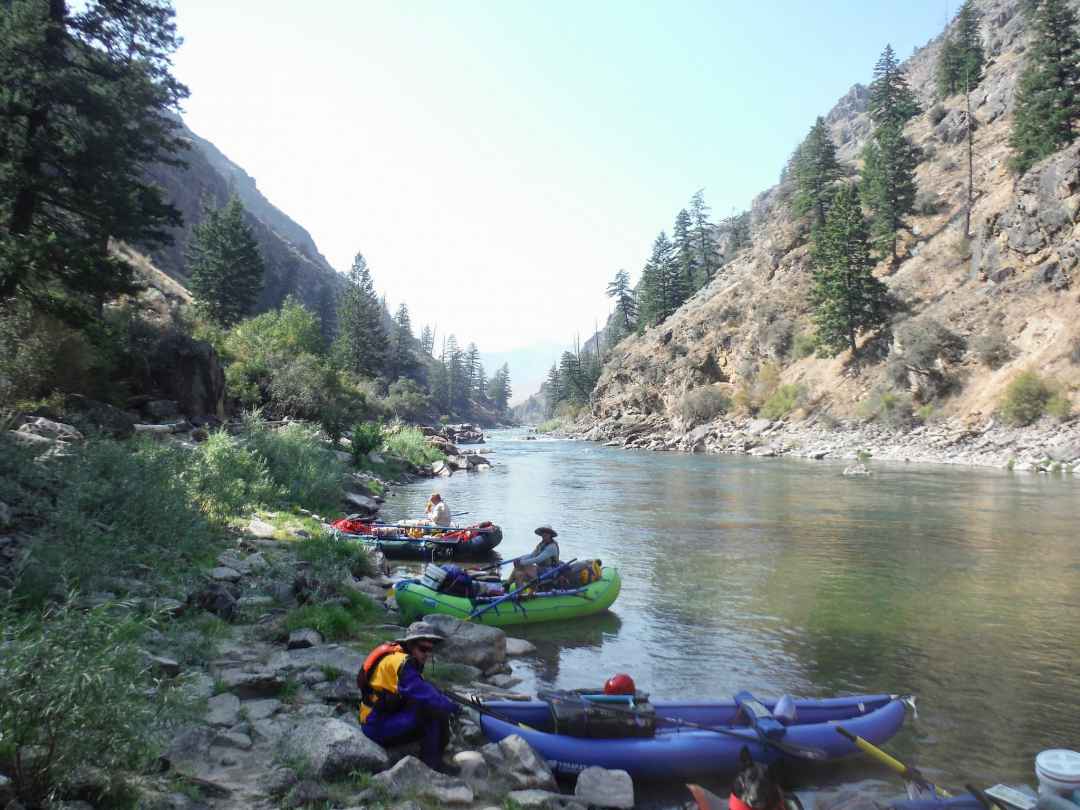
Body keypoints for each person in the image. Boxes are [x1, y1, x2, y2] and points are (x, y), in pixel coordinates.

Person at [358, 621, 461, 772]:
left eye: (430, 650)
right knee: (433, 711)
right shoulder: (402, 663)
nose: (427, 654)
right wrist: (456, 708)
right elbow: (425, 695)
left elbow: (420, 689)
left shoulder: (398, 657)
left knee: (433, 706)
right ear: (411, 645)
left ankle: (436, 754)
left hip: (380, 716)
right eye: (423, 649)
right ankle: (433, 767)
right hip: (376, 725)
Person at [510, 525, 560, 590]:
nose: (544, 534)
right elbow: (531, 555)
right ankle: (519, 594)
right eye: (543, 532)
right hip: (540, 569)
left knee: (523, 566)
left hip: (550, 571)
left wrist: (522, 562)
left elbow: (538, 560)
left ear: (550, 535)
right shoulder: (541, 544)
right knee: (518, 574)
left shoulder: (552, 547)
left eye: (547, 532)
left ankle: (508, 584)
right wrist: (521, 559)